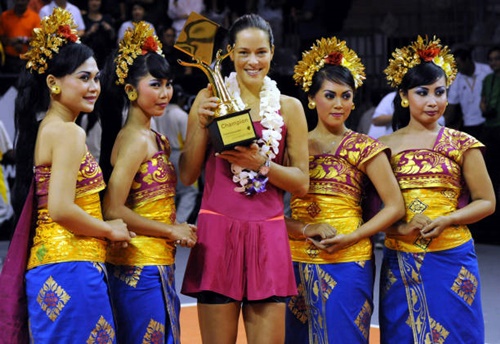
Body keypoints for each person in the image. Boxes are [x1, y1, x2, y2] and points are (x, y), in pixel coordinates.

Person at [180, 13, 310, 343]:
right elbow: (187, 174)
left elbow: (301, 183)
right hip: (218, 234)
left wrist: (261, 162)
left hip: (268, 235)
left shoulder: (289, 107)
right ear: (228, 53)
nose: (253, 61)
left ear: (272, 52)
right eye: (244, 53)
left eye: (261, 52)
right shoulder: (209, 99)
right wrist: (200, 121)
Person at [11, 8, 133, 342]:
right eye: (83, 78)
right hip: (72, 268)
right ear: (52, 82)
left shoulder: (47, 129)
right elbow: (61, 209)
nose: (94, 86)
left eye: (95, 78)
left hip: (57, 266)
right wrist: (109, 229)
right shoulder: (68, 132)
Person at [285, 37, 404, 344]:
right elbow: (271, 209)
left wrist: (352, 236)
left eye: (346, 96)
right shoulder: (292, 148)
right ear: (312, 99)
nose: (339, 104)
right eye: (330, 95)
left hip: (349, 258)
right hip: (294, 258)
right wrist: (302, 229)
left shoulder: (366, 148)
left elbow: (395, 207)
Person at [378, 35, 496, 343]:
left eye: (440, 92)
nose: (433, 101)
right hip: (400, 257)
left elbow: (487, 201)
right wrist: (400, 226)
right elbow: (370, 206)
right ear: (404, 96)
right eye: (422, 92)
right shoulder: (381, 148)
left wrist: (448, 219)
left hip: (452, 258)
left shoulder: (462, 143)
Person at [98, 21, 197, 343]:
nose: (165, 93)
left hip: (157, 262)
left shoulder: (154, 137)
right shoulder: (134, 140)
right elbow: (112, 208)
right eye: (155, 84)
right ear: (130, 90)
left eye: (167, 84)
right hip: (137, 266)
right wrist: (172, 230)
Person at [151, 84, 199, 224]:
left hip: (163, 153)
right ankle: (179, 220)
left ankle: (168, 218)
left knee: (171, 190)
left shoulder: (159, 113)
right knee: (189, 191)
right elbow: (188, 139)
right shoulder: (181, 115)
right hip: (179, 153)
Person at [444, 45, 492, 139]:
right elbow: (452, 105)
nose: (456, 69)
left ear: (467, 60)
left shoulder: (487, 71)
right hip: (469, 125)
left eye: (458, 65)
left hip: (488, 122)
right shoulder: (457, 80)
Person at [0, 0, 40, 74]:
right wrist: (13, 44)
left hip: (28, 60)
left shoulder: (35, 17)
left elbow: (38, 39)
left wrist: (21, 40)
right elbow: (2, 38)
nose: (21, 1)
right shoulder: (4, 16)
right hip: (8, 60)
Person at [81, 0, 116, 68]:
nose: (94, 3)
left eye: (97, 0)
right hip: (87, 57)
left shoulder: (107, 17)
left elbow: (114, 38)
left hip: (106, 58)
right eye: (92, 0)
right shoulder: (83, 18)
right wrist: (90, 32)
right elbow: (80, 39)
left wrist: (110, 29)